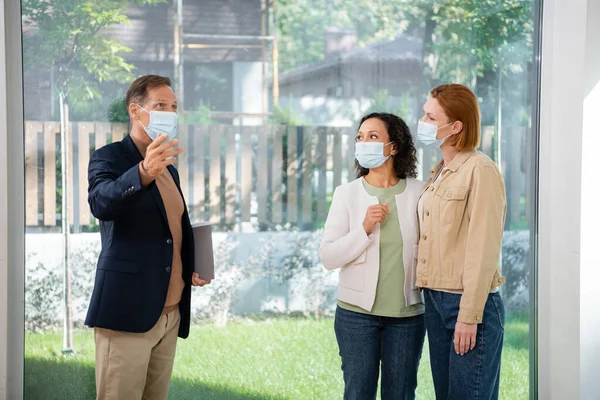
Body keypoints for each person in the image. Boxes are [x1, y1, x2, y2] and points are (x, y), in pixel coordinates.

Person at [85, 75, 211, 400]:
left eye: (174, 107)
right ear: (135, 111)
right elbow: (102, 203)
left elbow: (170, 230)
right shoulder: (109, 157)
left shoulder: (170, 168)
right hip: (128, 312)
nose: (170, 113)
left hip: (169, 314)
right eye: (160, 106)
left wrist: (191, 265)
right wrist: (143, 172)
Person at [320, 112, 425, 400]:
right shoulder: (347, 194)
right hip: (356, 317)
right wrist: (364, 228)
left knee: (401, 394)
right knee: (358, 394)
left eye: (373, 136)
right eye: (360, 137)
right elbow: (328, 257)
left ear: (394, 146)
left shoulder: (420, 192)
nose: (363, 142)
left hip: (406, 317)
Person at [416, 83, 507, 400]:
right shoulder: (440, 170)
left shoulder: (481, 170)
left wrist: (469, 315)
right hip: (436, 300)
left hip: (468, 305)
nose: (423, 122)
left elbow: (483, 248)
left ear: (455, 126)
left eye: (430, 116)